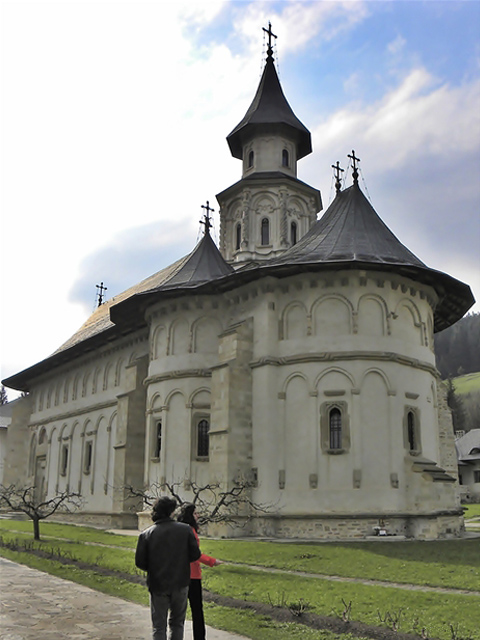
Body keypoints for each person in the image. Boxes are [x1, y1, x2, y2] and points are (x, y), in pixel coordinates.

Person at [135, 496, 201, 640]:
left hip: (158, 583)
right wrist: (181, 562)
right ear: (172, 511)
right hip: (180, 582)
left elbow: (140, 562)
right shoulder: (185, 530)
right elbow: (195, 554)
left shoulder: (146, 534)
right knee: (177, 623)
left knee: (159, 626)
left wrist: (155, 567)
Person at [177, 502, 223, 640]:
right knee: (196, 610)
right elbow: (194, 553)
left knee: (181, 611)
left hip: (182, 574)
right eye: (195, 513)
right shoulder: (189, 531)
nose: (198, 516)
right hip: (192, 575)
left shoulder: (182, 529)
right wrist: (212, 561)